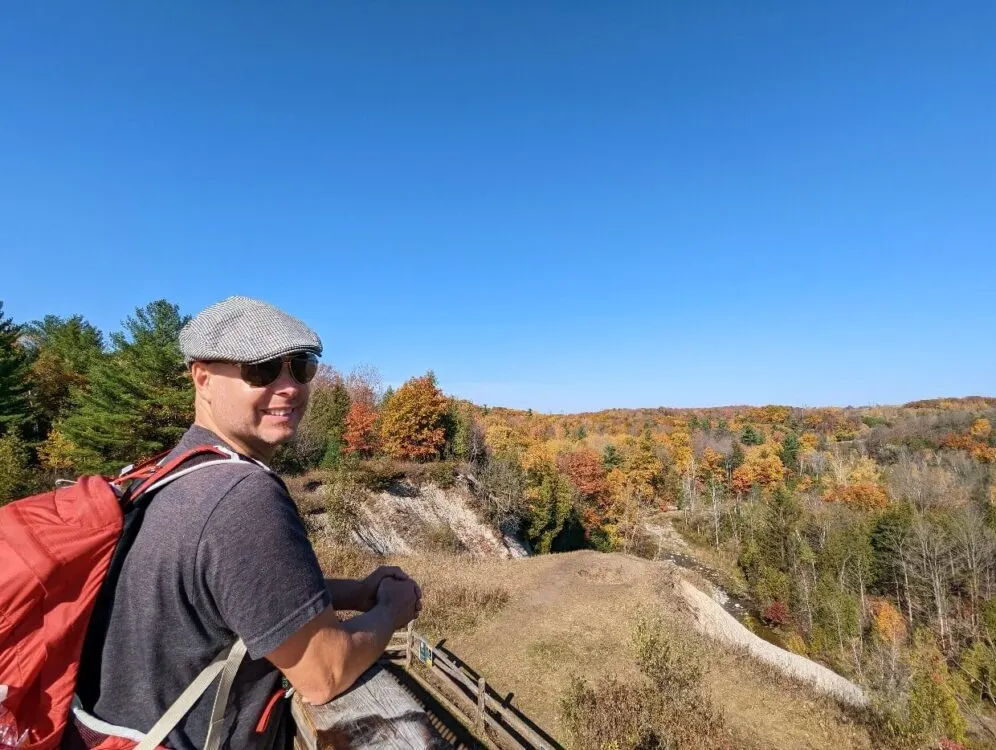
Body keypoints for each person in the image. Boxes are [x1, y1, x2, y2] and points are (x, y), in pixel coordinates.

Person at [75, 296, 421, 749]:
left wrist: (355, 592)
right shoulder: (241, 496)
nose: (290, 387)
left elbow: (222, 593)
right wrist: (391, 612)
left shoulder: (170, 474)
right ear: (203, 378)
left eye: (301, 367)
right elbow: (324, 673)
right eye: (260, 370)